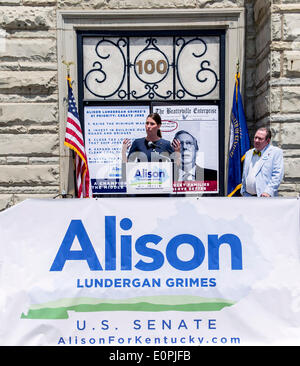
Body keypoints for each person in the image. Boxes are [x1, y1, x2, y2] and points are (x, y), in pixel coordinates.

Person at [241, 127, 284, 197]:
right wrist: (243, 190)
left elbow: (277, 175)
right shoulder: (248, 153)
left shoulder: (276, 152)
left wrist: (268, 192)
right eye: (255, 138)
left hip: (265, 197)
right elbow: (245, 174)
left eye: (260, 139)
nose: (256, 140)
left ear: (268, 141)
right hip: (247, 196)